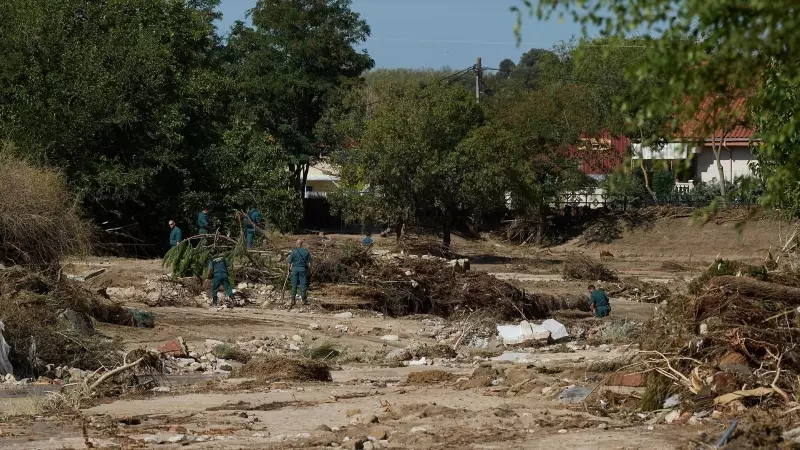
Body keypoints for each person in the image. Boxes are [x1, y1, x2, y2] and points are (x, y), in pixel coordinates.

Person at [287, 239, 311, 308]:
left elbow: (289, 262)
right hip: (302, 269)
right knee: (303, 284)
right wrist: (309, 270)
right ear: (302, 244)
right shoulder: (306, 252)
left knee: (294, 284)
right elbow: (309, 263)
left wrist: (288, 270)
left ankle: (293, 300)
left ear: (296, 244)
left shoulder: (294, 252)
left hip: (294, 270)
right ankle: (303, 299)